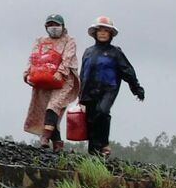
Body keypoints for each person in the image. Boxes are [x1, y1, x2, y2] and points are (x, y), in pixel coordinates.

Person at [77, 16, 144, 156]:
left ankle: (104, 144)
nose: (102, 33)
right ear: (95, 33)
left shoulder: (115, 52)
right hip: (89, 90)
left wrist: (136, 88)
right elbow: (83, 74)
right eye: (99, 30)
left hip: (108, 88)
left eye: (106, 30)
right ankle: (94, 151)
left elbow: (127, 71)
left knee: (102, 112)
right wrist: (79, 93)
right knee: (91, 119)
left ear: (110, 34)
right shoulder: (88, 52)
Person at [23, 14, 80, 150]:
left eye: (56, 25)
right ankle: (57, 143)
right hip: (44, 78)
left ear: (63, 26)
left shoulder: (69, 40)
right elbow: (33, 57)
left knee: (53, 106)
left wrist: (60, 72)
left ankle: (45, 137)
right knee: (45, 109)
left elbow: (67, 57)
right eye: (50, 25)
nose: (53, 28)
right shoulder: (40, 40)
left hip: (64, 80)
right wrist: (27, 72)